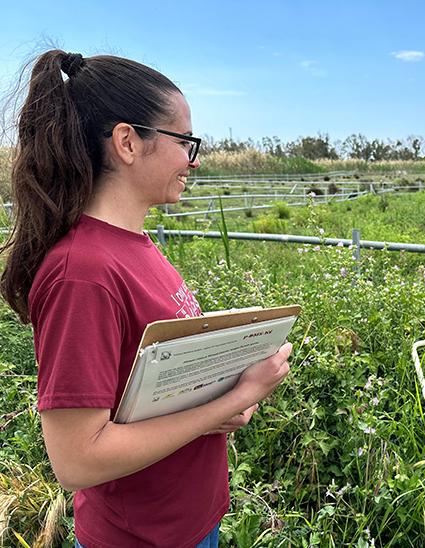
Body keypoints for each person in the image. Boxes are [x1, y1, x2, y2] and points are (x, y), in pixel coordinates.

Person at [0, 50, 292, 547]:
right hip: (139, 538)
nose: (193, 161)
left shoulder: (134, 243)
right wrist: (237, 397)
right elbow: (76, 460)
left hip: (188, 521)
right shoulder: (84, 273)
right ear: (128, 142)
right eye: (185, 142)